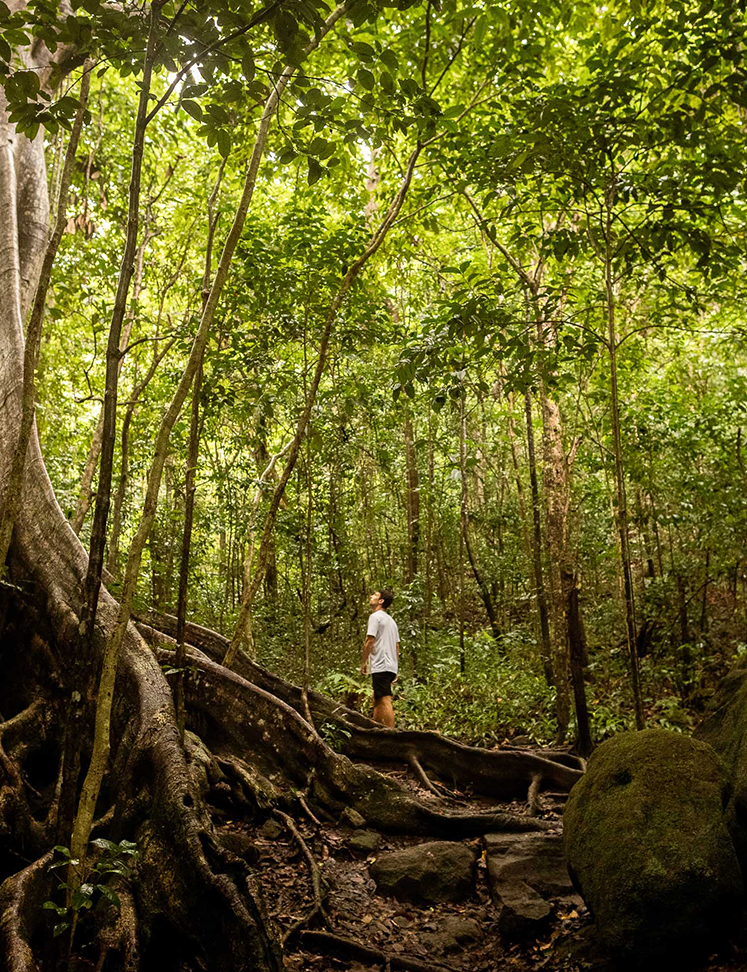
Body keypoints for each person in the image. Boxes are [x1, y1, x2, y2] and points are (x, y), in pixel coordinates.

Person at [360, 589, 399, 727]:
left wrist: (364, 662)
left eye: (375, 595)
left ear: (381, 601)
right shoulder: (391, 621)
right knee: (377, 698)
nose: (371, 596)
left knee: (384, 699)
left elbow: (370, 640)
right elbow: (396, 646)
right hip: (389, 665)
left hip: (381, 664)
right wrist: (395, 668)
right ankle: (377, 729)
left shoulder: (375, 617)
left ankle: (390, 733)